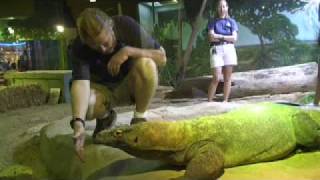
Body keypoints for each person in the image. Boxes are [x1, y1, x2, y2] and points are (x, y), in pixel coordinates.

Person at [69, 8, 167, 161]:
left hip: (131, 86)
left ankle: (139, 118)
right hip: (104, 91)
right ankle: (106, 117)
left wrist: (128, 51)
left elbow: (162, 57)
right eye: (95, 46)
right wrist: (78, 124)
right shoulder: (79, 46)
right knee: (85, 106)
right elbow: (80, 83)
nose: (102, 49)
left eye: (105, 43)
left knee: (147, 64)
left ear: (111, 26)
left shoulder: (126, 25)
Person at [207, 0, 238, 102]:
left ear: (227, 8)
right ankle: (209, 101)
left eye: (224, 6)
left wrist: (219, 36)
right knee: (216, 76)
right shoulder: (212, 21)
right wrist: (226, 37)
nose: (222, 9)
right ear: (217, 8)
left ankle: (225, 101)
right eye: (220, 6)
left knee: (227, 77)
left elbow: (234, 38)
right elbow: (211, 38)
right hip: (216, 49)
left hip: (229, 49)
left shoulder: (232, 21)